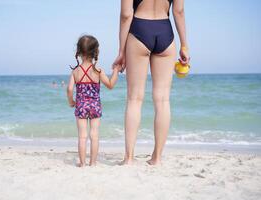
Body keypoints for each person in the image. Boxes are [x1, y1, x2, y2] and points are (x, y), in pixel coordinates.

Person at [113, 0, 190, 165]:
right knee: (163, 100)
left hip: (139, 28)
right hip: (165, 32)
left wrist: (121, 50)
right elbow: (179, 11)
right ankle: (157, 158)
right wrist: (184, 45)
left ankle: (129, 158)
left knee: (134, 98)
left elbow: (126, 15)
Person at [67, 35, 121, 167]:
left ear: (78, 52)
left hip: (80, 105)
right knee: (94, 135)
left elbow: (69, 89)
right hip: (95, 105)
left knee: (82, 136)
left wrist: (71, 101)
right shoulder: (97, 70)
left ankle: (82, 164)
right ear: (95, 52)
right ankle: (93, 162)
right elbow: (110, 85)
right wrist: (116, 71)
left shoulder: (76, 71)